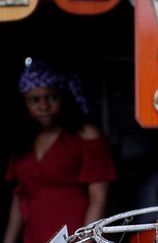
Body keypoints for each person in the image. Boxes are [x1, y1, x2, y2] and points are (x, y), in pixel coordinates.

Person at [3, 58, 117, 243]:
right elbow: (20, 197)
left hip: (76, 234)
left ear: (64, 97)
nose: (43, 106)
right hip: (34, 235)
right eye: (34, 100)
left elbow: (98, 196)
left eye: (51, 97)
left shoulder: (86, 136)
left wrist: (86, 240)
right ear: (24, 104)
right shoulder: (22, 141)